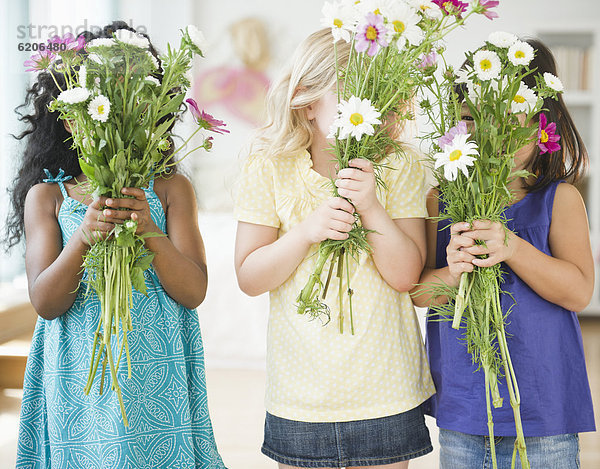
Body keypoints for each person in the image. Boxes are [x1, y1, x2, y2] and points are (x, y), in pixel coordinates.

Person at [6, 21, 226, 469]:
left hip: (156, 369)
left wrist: (149, 228)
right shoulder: (47, 196)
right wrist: (84, 237)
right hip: (78, 373)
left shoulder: (170, 189)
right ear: (71, 113)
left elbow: (194, 291)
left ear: (155, 110)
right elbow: (46, 303)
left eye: (137, 101)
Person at [233, 28, 435, 469]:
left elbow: (406, 277)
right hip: (301, 397)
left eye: (380, 95)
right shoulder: (268, 165)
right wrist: (306, 232)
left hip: (386, 390)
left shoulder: (400, 165)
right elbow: (249, 277)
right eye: (354, 96)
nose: (371, 109)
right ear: (306, 103)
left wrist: (371, 206)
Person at [411, 38, 595, 469]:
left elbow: (578, 292)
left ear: (542, 123)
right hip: (465, 407)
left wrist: (512, 246)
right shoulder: (441, 201)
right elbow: (419, 292)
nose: (490, 138)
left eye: (509, 123)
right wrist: (453, 272)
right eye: (472, 121)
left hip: (543, 409)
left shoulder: (561, 200)